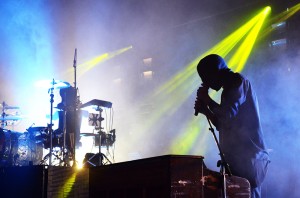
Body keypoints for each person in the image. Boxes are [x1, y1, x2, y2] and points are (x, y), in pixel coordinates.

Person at [194, 54, 270, 198]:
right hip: (237, 158)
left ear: (214, 72)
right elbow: (223, 124)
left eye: (206, 78)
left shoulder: (237, 81)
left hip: (248, 158)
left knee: (248, 194)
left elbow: (226, 114)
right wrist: (205, 111)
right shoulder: (228, 88)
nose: (207, 84)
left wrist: (207, 99)